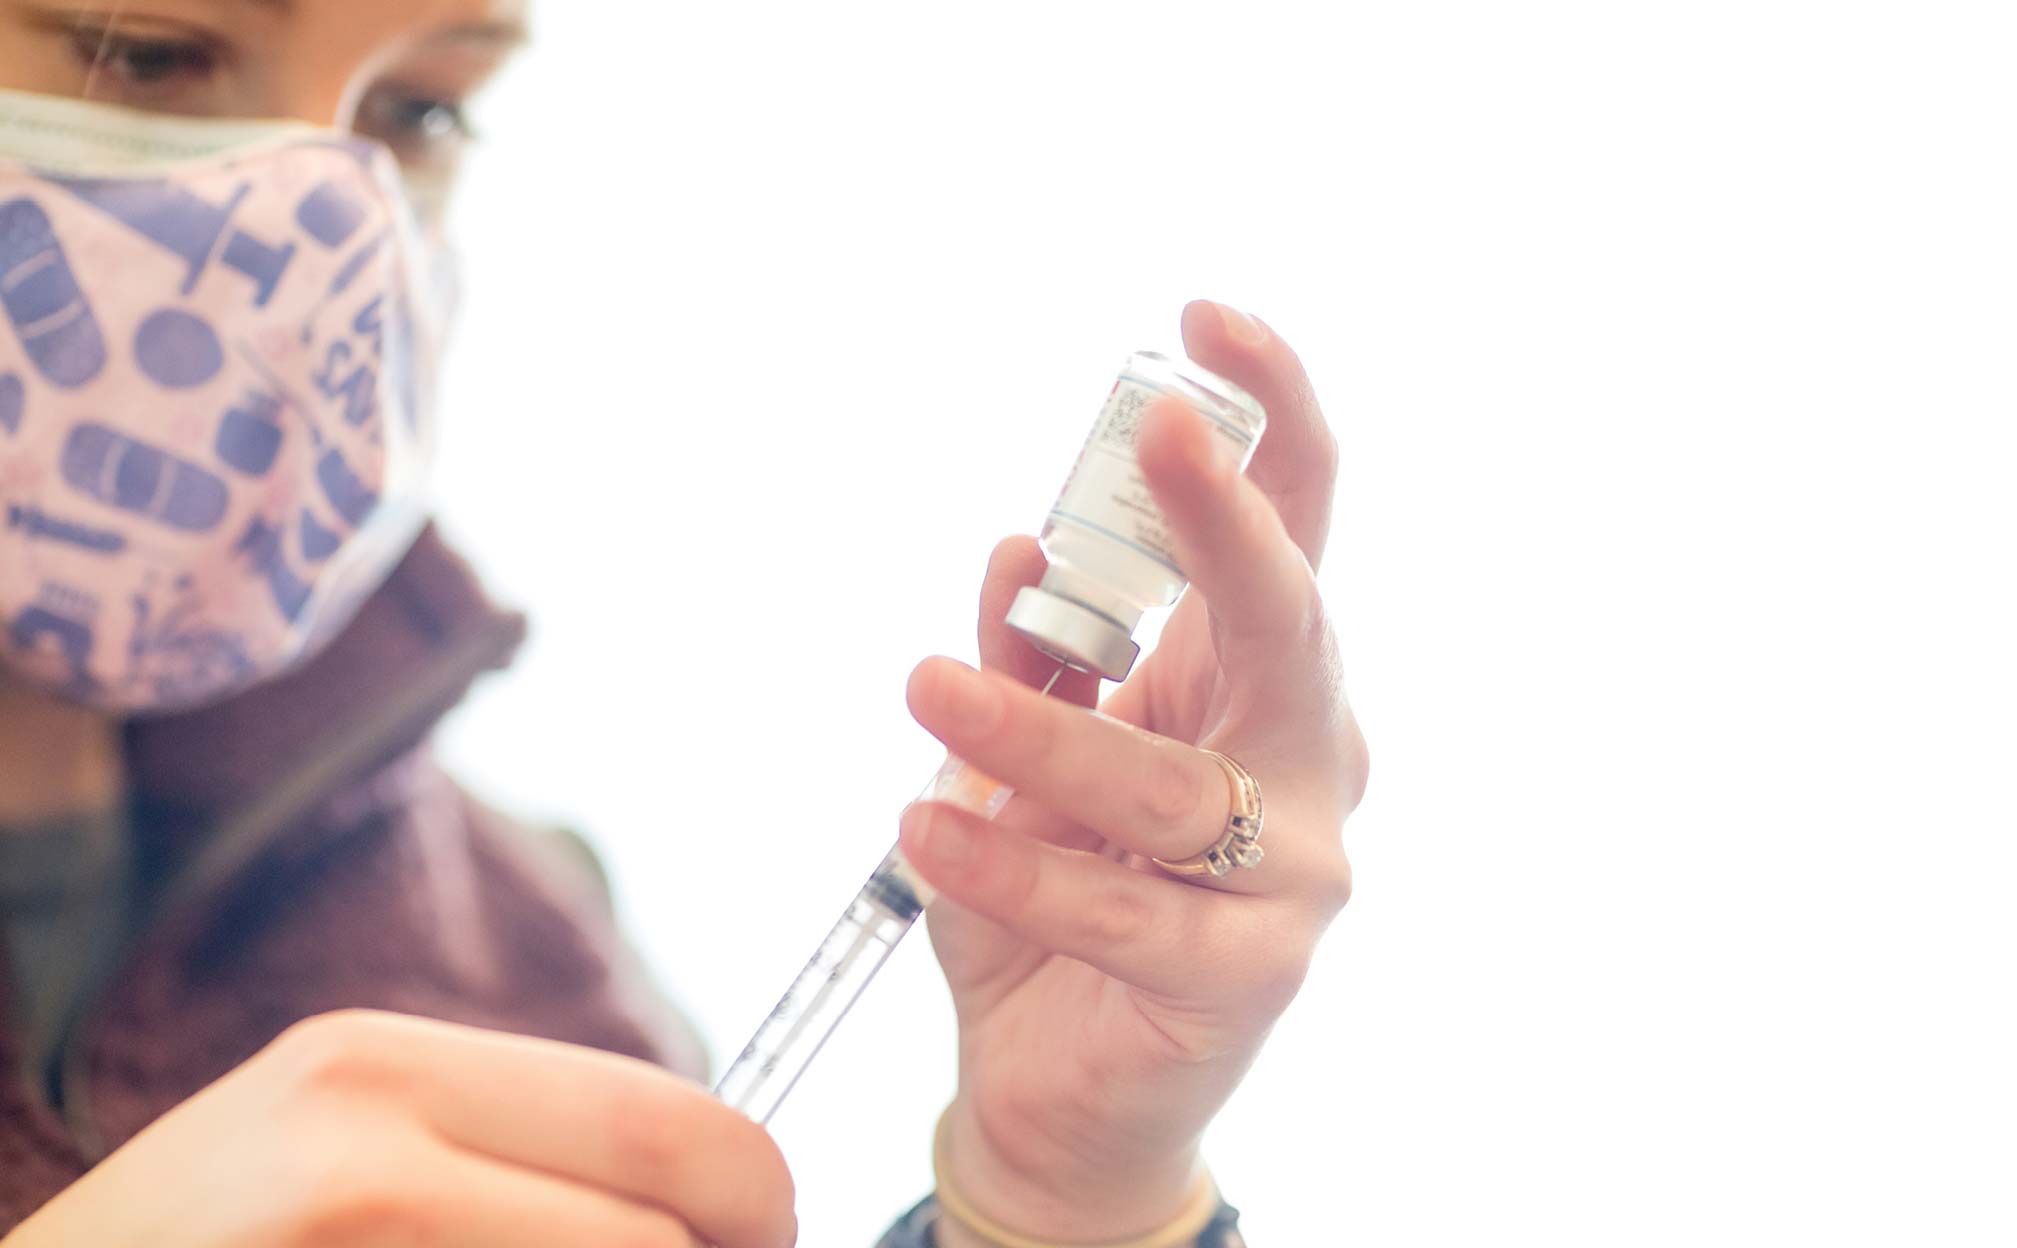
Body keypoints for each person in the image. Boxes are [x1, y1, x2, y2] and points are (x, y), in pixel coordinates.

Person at [0, 1, 1369, 1244]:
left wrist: (1057, 1202)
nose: (325, 225)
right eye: (149, 53)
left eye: (418, 111)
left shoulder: (526, 957)